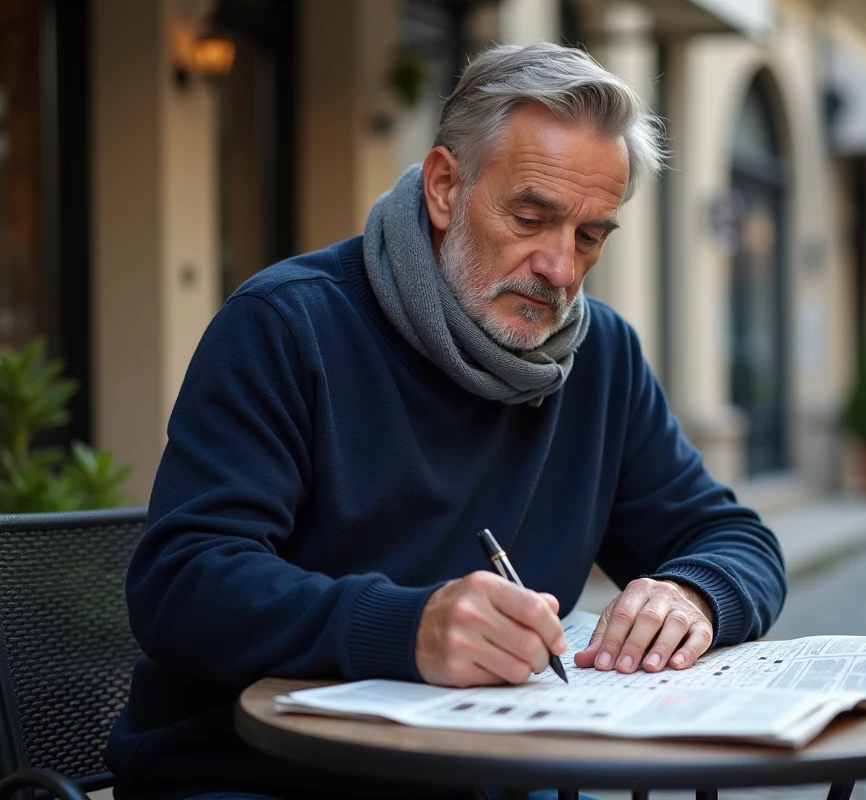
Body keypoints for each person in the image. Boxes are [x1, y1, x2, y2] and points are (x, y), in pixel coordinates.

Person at [103, 43, 788, 800]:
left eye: (591, 235)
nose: (560, 268)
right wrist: (405, 628)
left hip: (490, 769)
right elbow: (182, 584)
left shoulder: (604, 358)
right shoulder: (286, 325)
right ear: (443, 187)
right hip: (258, 773)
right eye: (532, 217)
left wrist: (693, 594)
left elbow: (739, 541)